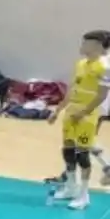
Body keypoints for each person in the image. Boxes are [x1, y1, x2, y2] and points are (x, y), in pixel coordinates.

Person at [46, 30, 110, 209]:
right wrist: (58, 110)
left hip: (88, 114)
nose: (81, 47)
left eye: (85, 43)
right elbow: (72, 89)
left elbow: (101, 96)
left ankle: (83, 195)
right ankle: (70, 187)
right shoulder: (81, 64)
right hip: (72, 111)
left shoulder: (104, 67)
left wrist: (83, 112)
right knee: (68, 150)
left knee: (83, 154)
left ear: (96, 45)